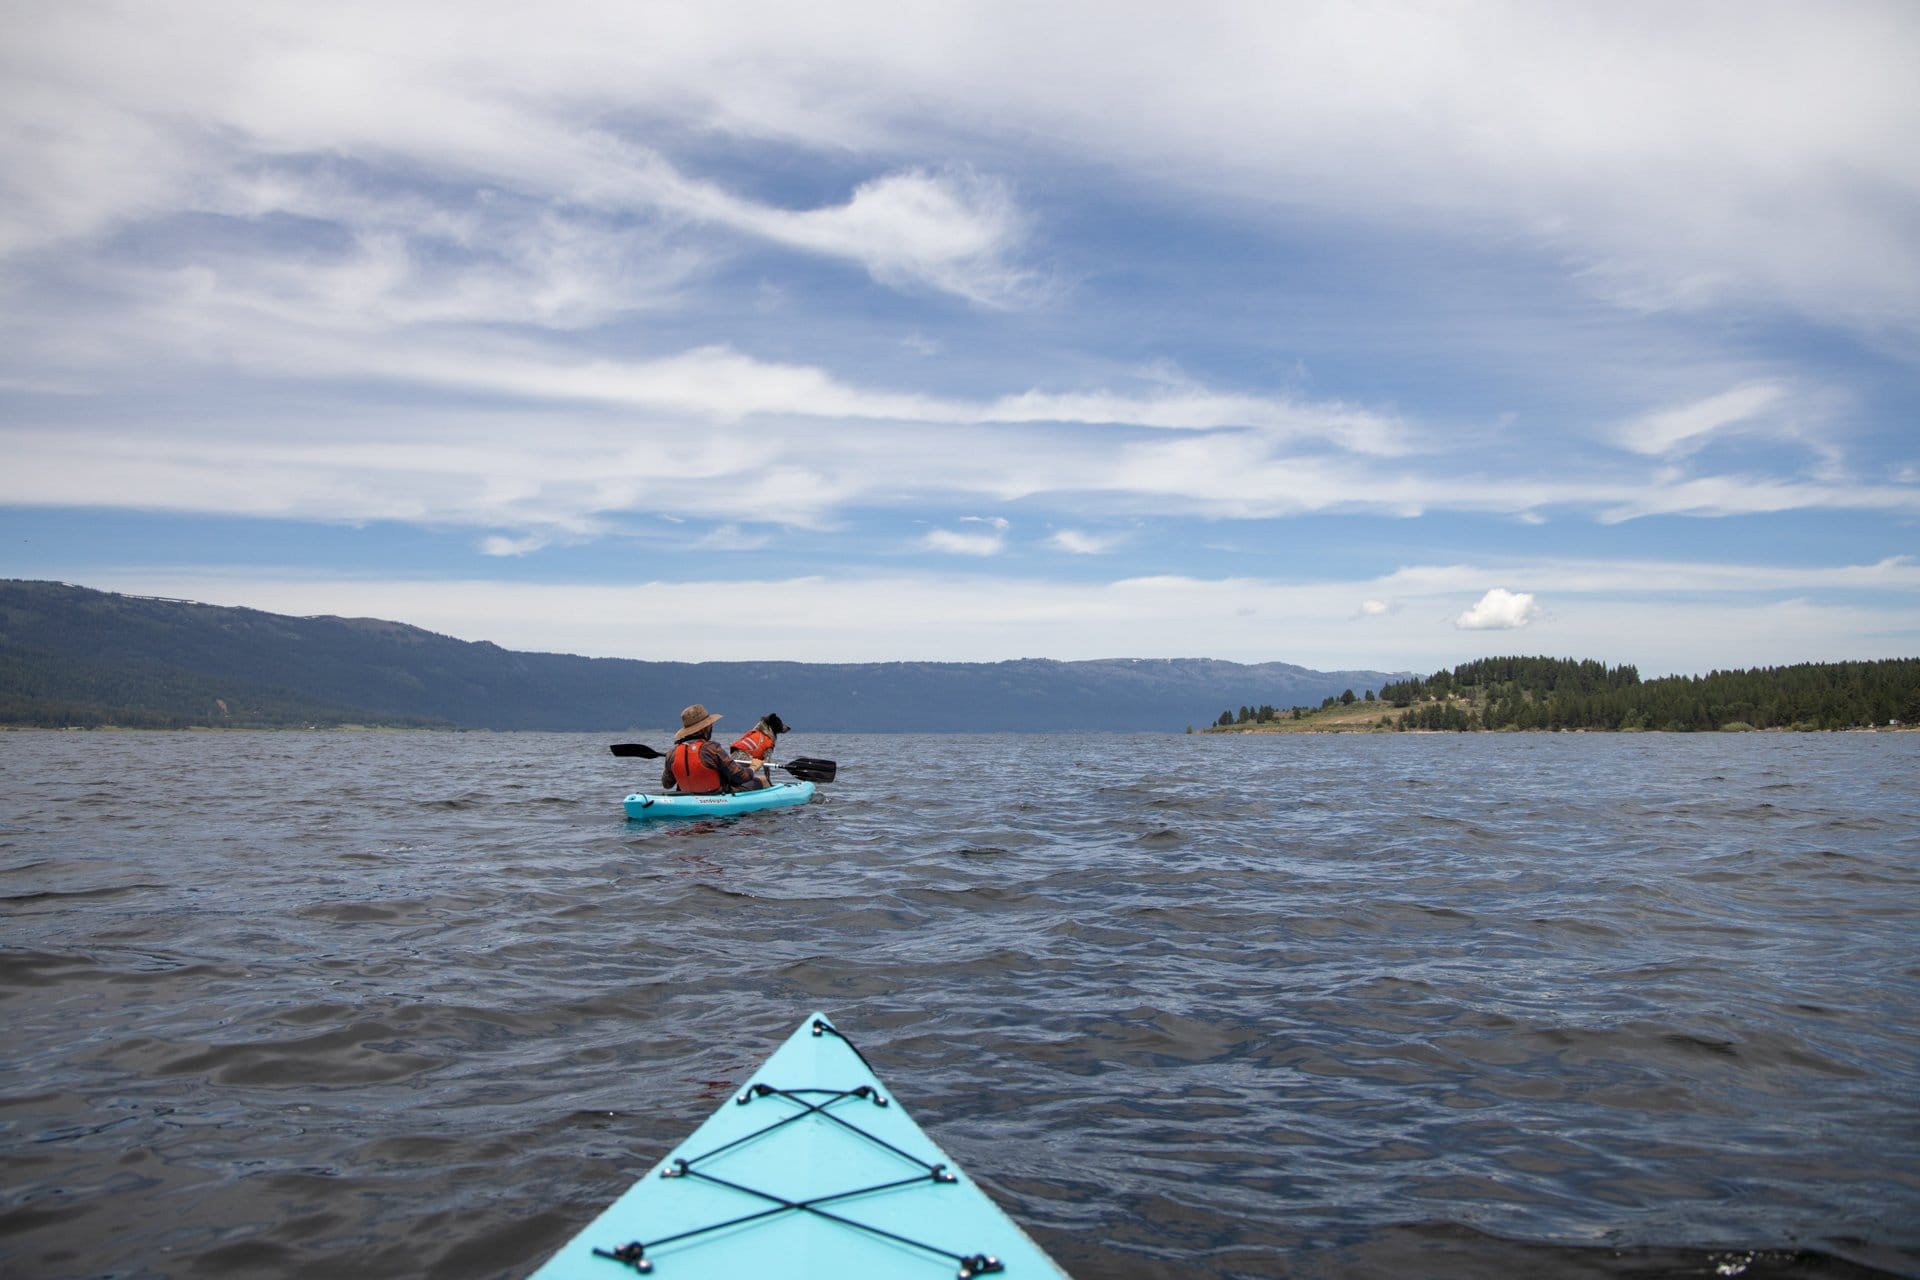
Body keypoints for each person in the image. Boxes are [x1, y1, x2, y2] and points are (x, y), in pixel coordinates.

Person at [662, 704, 766, 795]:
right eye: (709, 724)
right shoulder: (712, 749)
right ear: (705, 728)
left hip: (687, 797)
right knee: (762, 779)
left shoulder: (672, 753)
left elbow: (667, 784)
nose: (711, 726)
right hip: (717, 797)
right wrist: (753, 767)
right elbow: (740, 777)